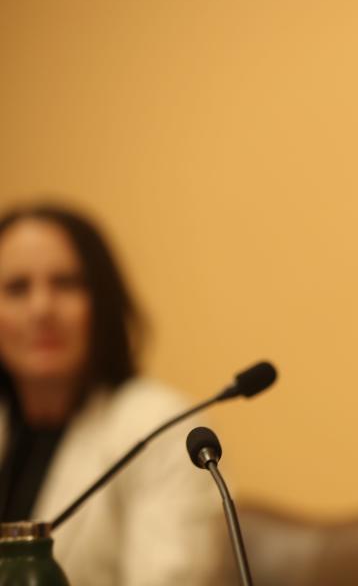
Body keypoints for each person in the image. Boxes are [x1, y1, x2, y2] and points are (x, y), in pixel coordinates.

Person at [0, 204, 222, 585]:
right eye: (17, 288)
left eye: (66, 283)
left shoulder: (161, 427)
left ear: (102, 302)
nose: (41, 308)